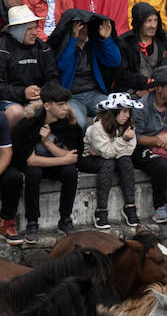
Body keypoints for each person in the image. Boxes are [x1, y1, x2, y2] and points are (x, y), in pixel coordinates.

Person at [0, 83, 78, 242]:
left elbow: (74, 156)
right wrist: (63, 158)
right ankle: (32, 222)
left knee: (71, 172)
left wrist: (47, 143)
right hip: (30, 165)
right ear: (47, 106)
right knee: (33, 173)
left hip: (51, 163)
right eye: (61, 105)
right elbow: (30, 160)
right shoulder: (29, 123)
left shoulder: (69, 123)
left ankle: (65, 219)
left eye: (67, 104)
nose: (66, 108)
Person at [131, 65, 167, 225]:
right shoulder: (141, 106)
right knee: (160, 165)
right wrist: (160, 140)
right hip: (144, 148)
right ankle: (159, 207)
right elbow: (136, 137)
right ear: (158, 88)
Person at [80, 91, 139, 229]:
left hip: (111, 157)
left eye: (129, 111)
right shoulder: (97, 128)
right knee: (108, 163)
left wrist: (112, 148)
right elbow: (107, 152)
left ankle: (130, 206)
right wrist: (123, 140)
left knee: (125, 161)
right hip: (88, 158)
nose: (127, 115)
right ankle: (101, 209)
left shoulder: (129, 125)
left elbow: (129, 150)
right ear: (114, 112)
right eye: (124, 111)